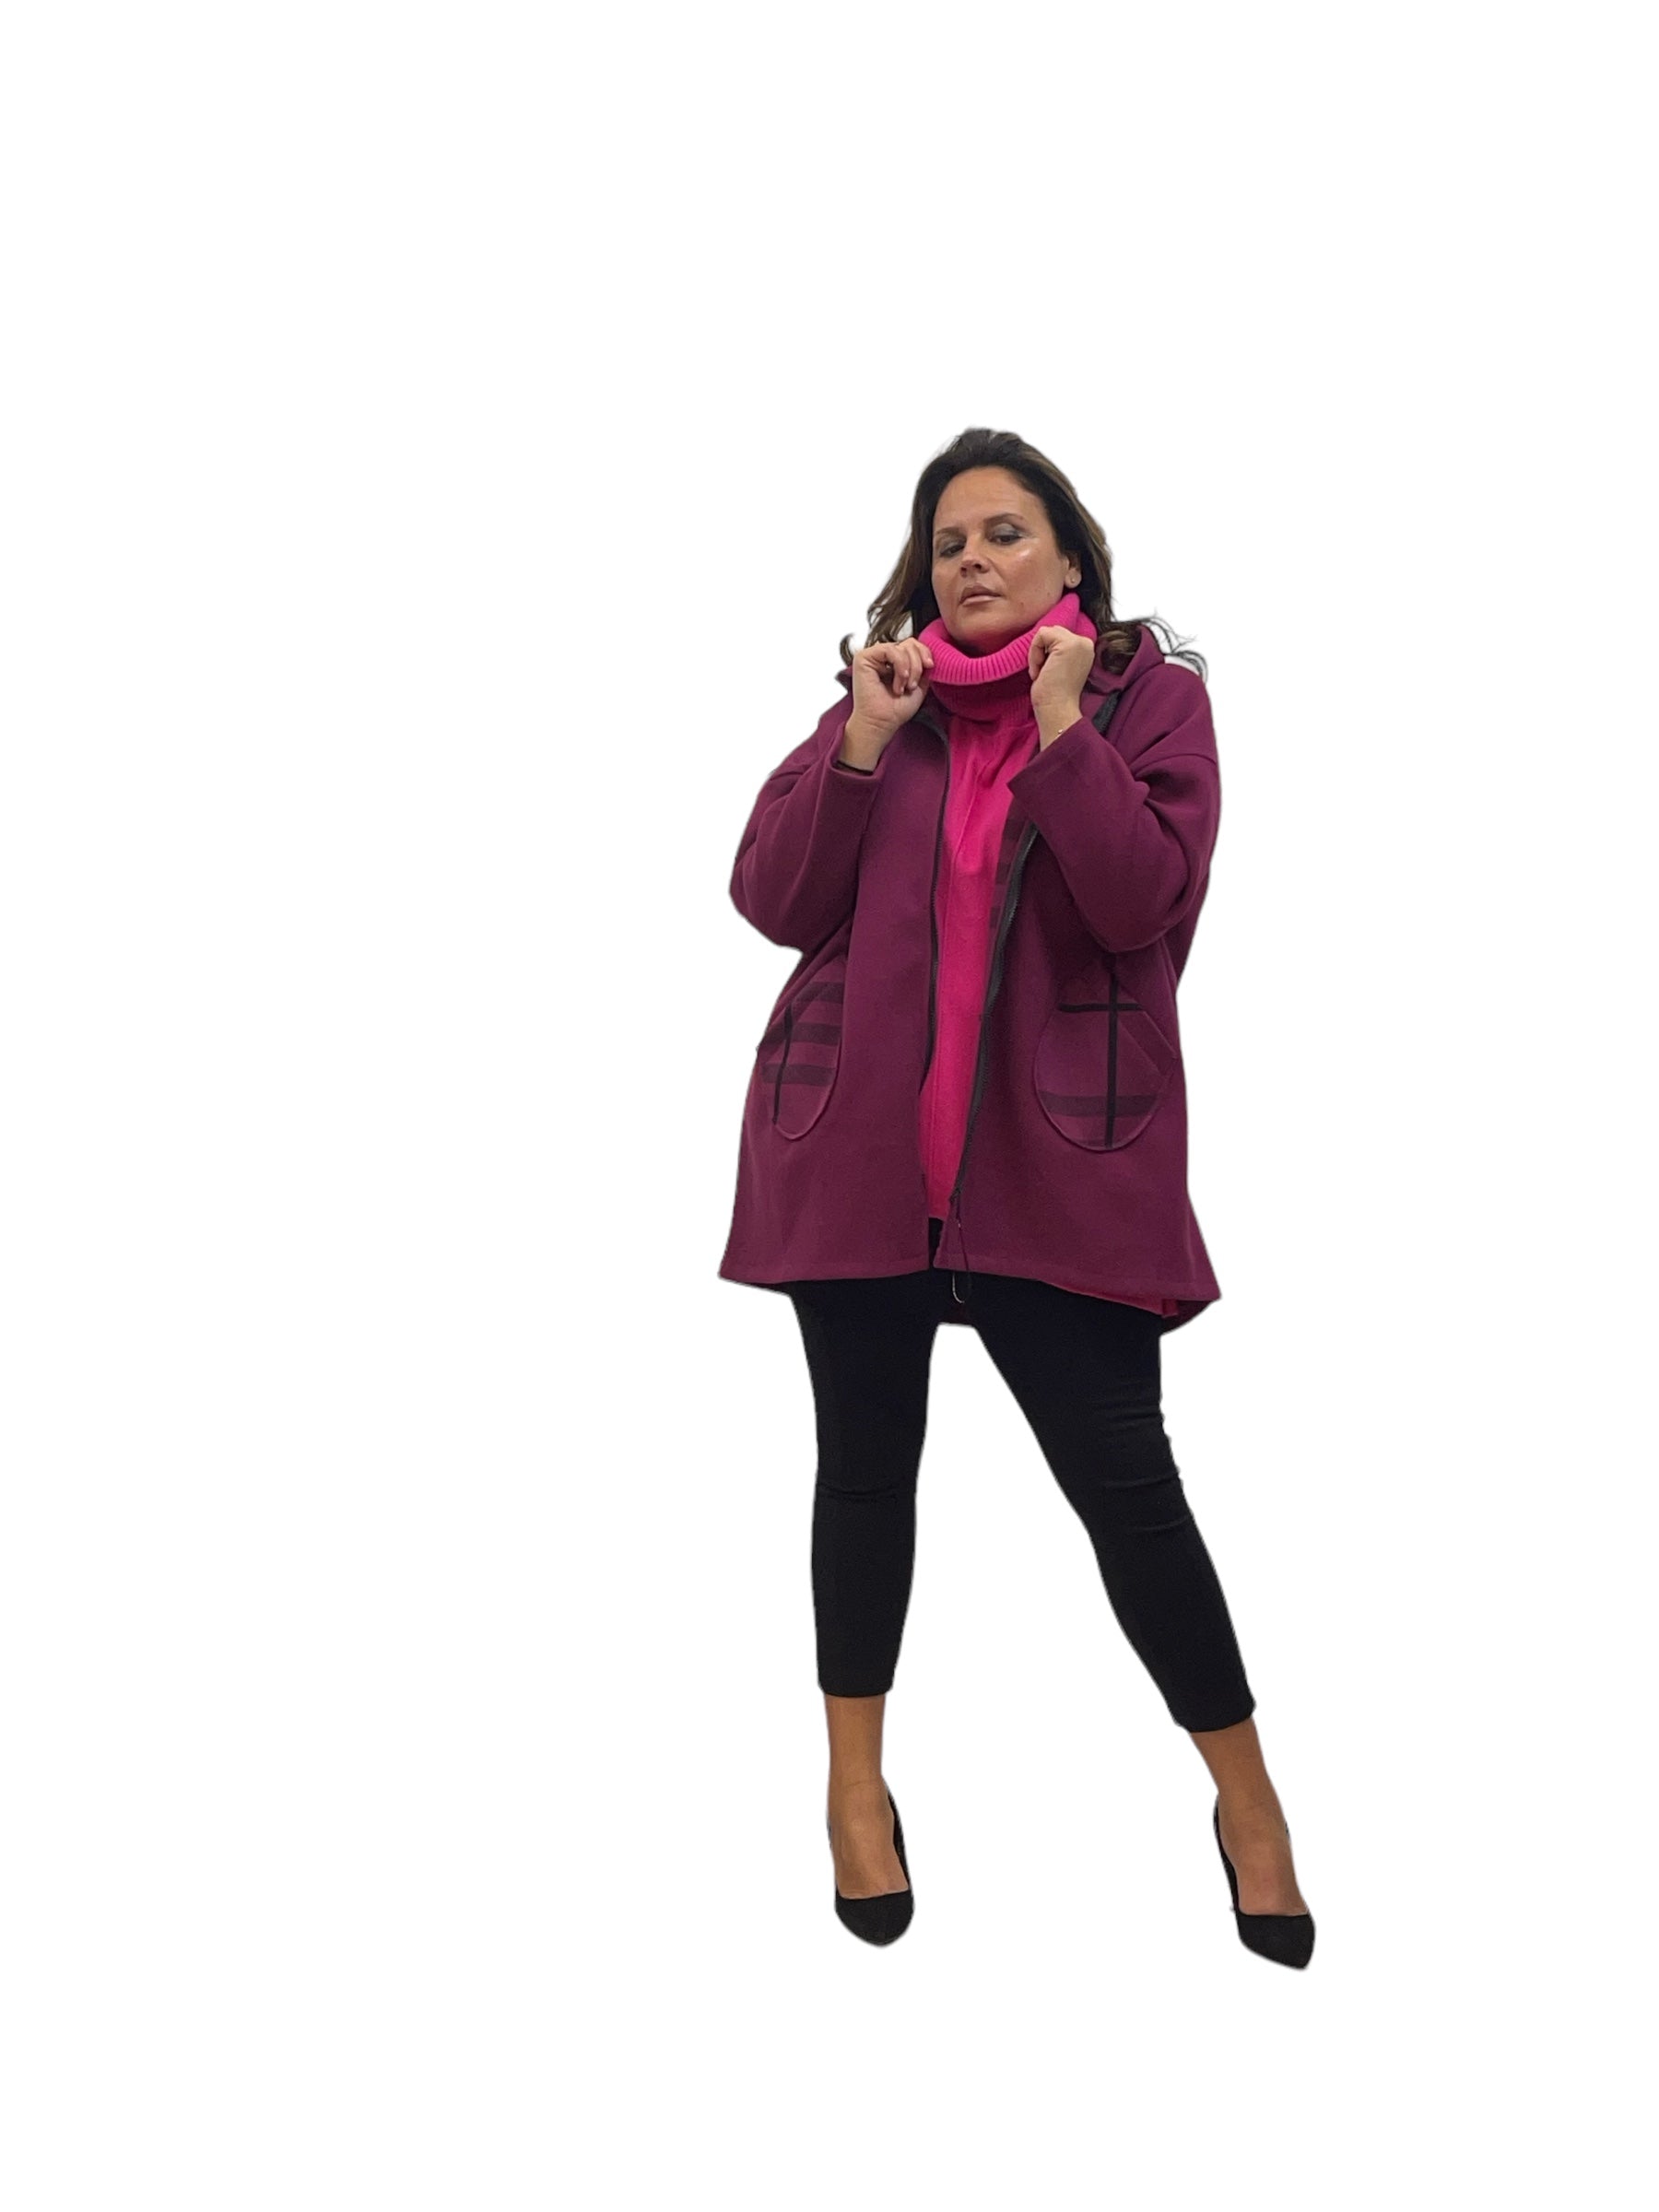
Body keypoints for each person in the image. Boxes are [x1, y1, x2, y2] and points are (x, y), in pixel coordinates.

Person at [719, 427, 1314, 1966]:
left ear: (1070, 561)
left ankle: (1248, 1802)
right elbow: (773, 899)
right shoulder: (880, 701)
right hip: (859, 1161)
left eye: (1003, 533)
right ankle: (854, 1791)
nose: (971, 559)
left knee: (1131, 1496)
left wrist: (1062, 732)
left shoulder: (1144, 703)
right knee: (863, 1479)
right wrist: (859, 746)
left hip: (1062, 1166)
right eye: (948, 541)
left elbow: (1141, 901)